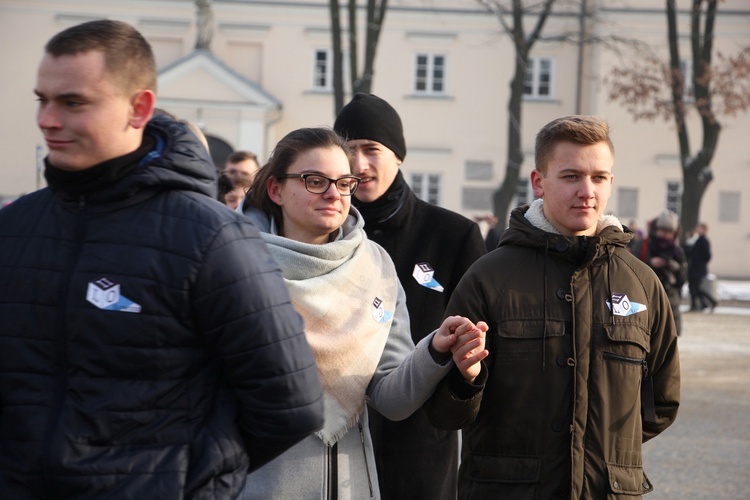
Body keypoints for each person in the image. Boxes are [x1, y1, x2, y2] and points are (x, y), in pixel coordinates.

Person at [0, 20, 325, 498]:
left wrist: (194, 480)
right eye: (42, 100)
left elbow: (290, 402)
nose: (48, 119)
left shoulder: (212, 239)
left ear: (139, 108)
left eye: (73, 102)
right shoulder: (14, 229)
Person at [425, 115, 681, 498]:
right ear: (538, 182)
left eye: (599, 177)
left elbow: (662, 401)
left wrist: (602, 451)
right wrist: (466, 379)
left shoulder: (641, 283)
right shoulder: (489, 278)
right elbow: (444, 415)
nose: (587, 191)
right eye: (571, 176)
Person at [238, 127, 488, 498]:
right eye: (314, 180)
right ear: (276, 189)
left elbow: (392, 398)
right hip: (255, 485)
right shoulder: (234, 262)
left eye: (343, 182)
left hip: (350, 485)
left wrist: (434, 349)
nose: (332, 193)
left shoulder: (373, 266)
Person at [334, 92, 486, 500]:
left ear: (398, 156)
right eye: (348, 151)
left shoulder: (452, 236)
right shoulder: (323, 235)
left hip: (420, 443)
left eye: (372, 149)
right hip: (338, 438)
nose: (359, 164)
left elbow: (479, 346)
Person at [634, 211, 688, 335]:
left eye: (669, 232)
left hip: (670, 302)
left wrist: (676, 268)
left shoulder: (678, 252)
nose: (665, 235)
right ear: (656, 229)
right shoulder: (644, 246)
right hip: (645, 298)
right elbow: (631, 269)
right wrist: (650, 263)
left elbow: (682, 280)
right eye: (662, 231)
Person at [686, 222, 718, 311]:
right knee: (694, 288)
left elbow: (707, 255)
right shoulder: (698, 240)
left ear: (704, 230)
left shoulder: (704, 241)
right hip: (694, 268)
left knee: (695, 288)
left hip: (698, 269)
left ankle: (708, 302)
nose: (697, 229)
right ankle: (704, 303)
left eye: (699, 228)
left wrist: (700, 262)